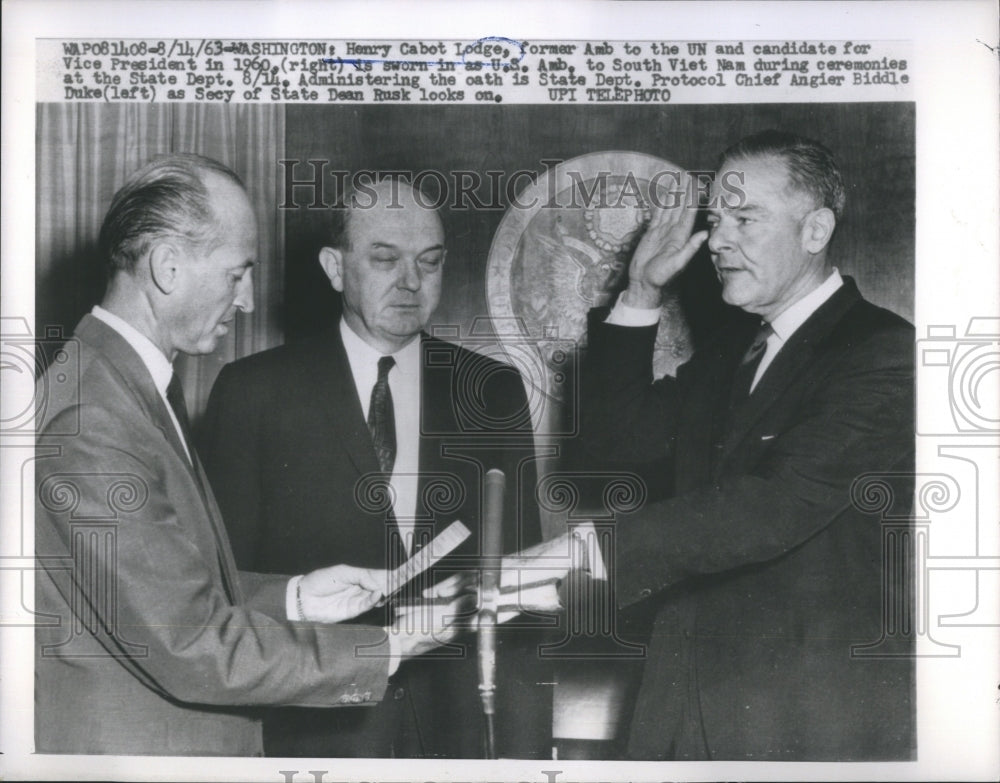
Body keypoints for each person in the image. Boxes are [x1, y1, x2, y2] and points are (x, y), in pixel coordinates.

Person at [34, 154, 467, 756]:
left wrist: (295, 597)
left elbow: (164, 588)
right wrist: (389, 645)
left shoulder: (118, 384)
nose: (246, 301)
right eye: (237, 274)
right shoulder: (93, 419)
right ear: (167, 267)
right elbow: (189, 643)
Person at [508, 130, 915, 760]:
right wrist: (641, 292)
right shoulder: (731, 356)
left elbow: (773, 505)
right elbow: (607, 450)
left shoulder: (883, 351)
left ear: (815, 230)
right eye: (716, 219)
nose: (719, 241)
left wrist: (583, 551)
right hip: (679, 703)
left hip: (801, 719)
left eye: (745, 219)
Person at [200, 178, 552, 758]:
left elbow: (519, 582)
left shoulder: (491, 390)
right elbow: (225, 588)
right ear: (335, 268)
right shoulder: (253, 391)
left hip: (455, 731)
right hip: (314, 730)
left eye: (429, 262)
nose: (411, 281)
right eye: (385, 259)